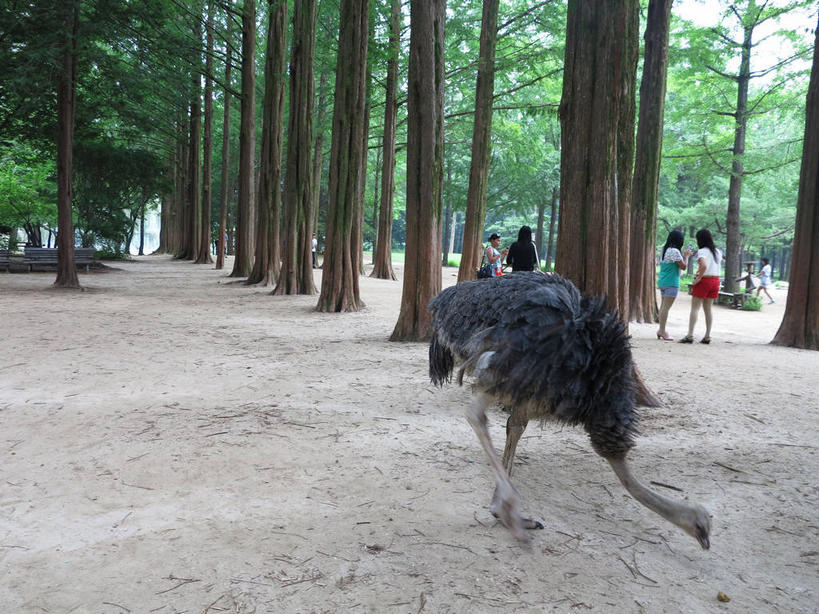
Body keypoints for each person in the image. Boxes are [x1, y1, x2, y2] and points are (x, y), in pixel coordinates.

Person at [680, 228, 722, 344]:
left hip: (705, 281)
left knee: (695, 308)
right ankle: (707, 336)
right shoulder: (717, 251)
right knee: (708, 309)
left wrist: (698, 278)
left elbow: (704, 266)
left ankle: (690, 335)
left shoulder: (702, 251)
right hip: (715, 281)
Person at [656, 229, 691, 341]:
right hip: (672, 282)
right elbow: (683, 267)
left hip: (663, 281)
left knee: (663, 307)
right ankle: (662, 330)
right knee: (666, 308)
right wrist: (687, 256)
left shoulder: (664, 250)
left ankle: (661, 329)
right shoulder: (675, 251)